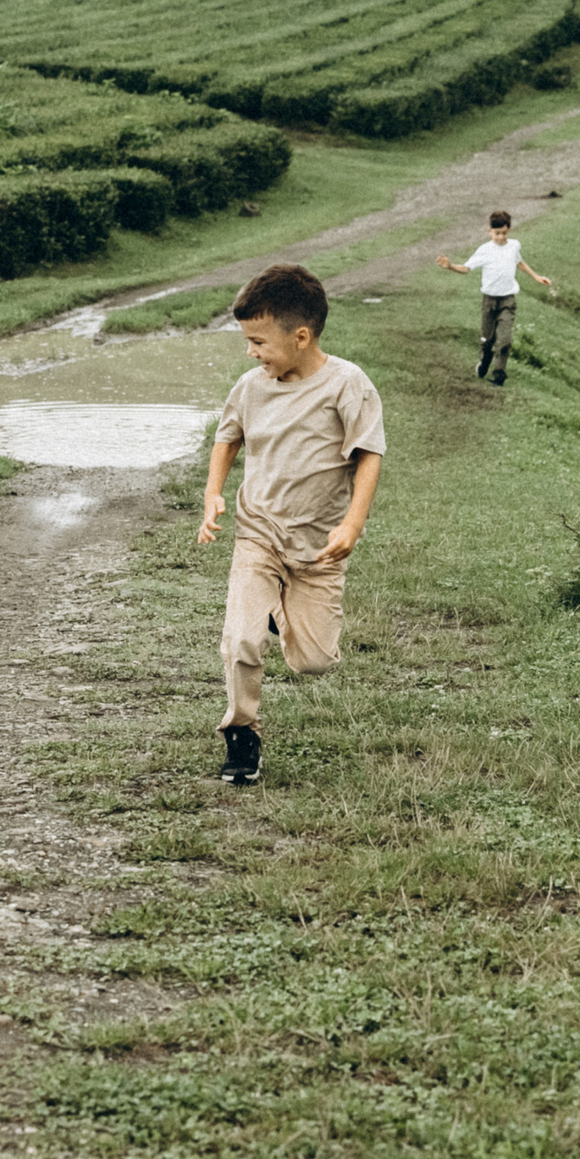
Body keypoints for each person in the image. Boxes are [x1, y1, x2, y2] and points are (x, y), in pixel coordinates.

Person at [198, 264, 386, 786]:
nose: (252, 352)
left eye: (259, 341)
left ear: (300, 337)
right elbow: (227, 438)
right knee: (240, 640)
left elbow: (368, 454)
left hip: (317, 548)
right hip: (258, 533)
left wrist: (351, 525)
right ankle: (242, 733)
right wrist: (214, 493)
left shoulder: (348, 385)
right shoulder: (250, 388)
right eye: (247, 342)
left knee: (314, 661)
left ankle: (281, 611)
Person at [439, 209, 553, 387]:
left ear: (509, 230)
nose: (500, 237)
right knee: (487, 340)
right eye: (496, 233)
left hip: (507, 300)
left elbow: (519, 262)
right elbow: (467, 268)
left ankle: (499, 374)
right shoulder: (485, 250)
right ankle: (484, 363)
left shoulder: (514, 246)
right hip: (489, 301)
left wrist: (536, 276)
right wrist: (450, 266)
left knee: (505, 340)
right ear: (489, 231)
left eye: (504, 233)